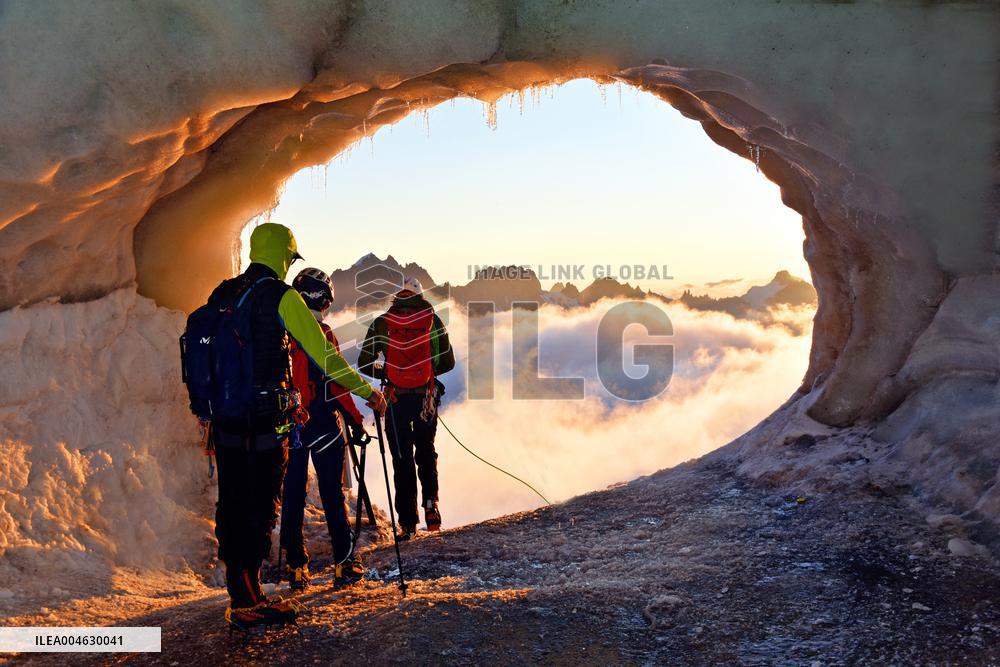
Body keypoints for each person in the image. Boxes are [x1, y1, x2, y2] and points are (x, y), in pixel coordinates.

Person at [189, 224, 386, 630]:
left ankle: (243, 594)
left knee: (233, 505)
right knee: (260, 508)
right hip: (263, 423)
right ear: (283, 255)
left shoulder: (224, 293)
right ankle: (249, 602)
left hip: (225, 422)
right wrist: (368, 391)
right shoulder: (281, 296)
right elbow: (325, 359)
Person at [279, 267, 369, 591]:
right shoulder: (323, 334)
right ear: (322, 300)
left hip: (291, 424)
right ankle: (344, 563)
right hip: (323, 424)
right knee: (332, 492)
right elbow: (338, 382)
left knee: (292, 494)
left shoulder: (282, 335)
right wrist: (356, 420)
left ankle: (296, 567)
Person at [358, 276, 455, 540]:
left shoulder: (382, 322)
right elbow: (448, 362)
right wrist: (427, 371)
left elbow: (365, 363)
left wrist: (388, 372)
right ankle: (431, 504)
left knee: (401, 459)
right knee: (426, 451)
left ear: (397, 297)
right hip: (425, 399)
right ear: (420, 297)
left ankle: (408, 523)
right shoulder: (433, 320)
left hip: (395, 400)